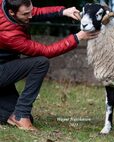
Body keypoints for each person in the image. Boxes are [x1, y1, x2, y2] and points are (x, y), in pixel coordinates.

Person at [0, 0, 99, 131]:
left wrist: (63, 11)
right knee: (40, 63)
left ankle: (19, 115)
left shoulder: (7, 5)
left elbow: (37, 12)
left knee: (13, 113)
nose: (30, 16)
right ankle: (21, 116)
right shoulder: (9, 35)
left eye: (30, 10)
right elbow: (47, 51)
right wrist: (77, 37)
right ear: (11, 12)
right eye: (25, 14)